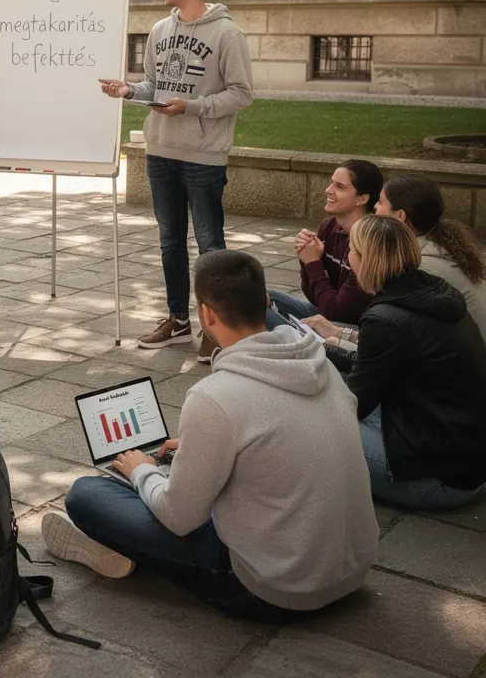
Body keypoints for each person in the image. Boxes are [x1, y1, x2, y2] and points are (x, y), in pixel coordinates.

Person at [40, 250, 378, 622]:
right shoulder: (320, 364)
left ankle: (121, 550)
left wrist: (140, 471)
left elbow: (178, 517)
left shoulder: (215, 396)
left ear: (206, 315)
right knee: (174, 480)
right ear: (266, 302)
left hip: (272, 589)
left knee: (87, 494)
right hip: (350, 572)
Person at [99, 0, 253, 362]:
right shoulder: (158, 31)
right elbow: (155, 84)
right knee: (169, 241)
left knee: (210, 245)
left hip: (204, 156)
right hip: (161, 152)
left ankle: (217, 328)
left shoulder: (227, 34)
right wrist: (129, 91)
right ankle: (178, 321)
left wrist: (193, 107)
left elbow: (241, 94)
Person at [310, 215, 486, 509]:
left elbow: (354, 404)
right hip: (462, 459)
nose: (346, 255)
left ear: (366, 258)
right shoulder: (428, 291)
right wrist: (326, 350)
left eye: (351, 249)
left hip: (438, 480)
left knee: (306, 419)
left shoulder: (387, 318)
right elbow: (379, 365)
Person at [266, 159, 383, 338]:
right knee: (261, 298)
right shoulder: (329, 226)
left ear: (362, 198)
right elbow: (316, 299)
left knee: (260, 315)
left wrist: (312, 263)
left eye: (340, 187)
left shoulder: (370, 241)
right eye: (331, 183)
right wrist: (305, 257)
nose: (328, 190)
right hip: (327, 313)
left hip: (354, 330)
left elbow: (337, 313)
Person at [375, 174, 486, 341]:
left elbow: (397, 337)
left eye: (380, 201)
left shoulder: (420, 268)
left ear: (400, 216)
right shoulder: (441, 246)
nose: (375, 207)